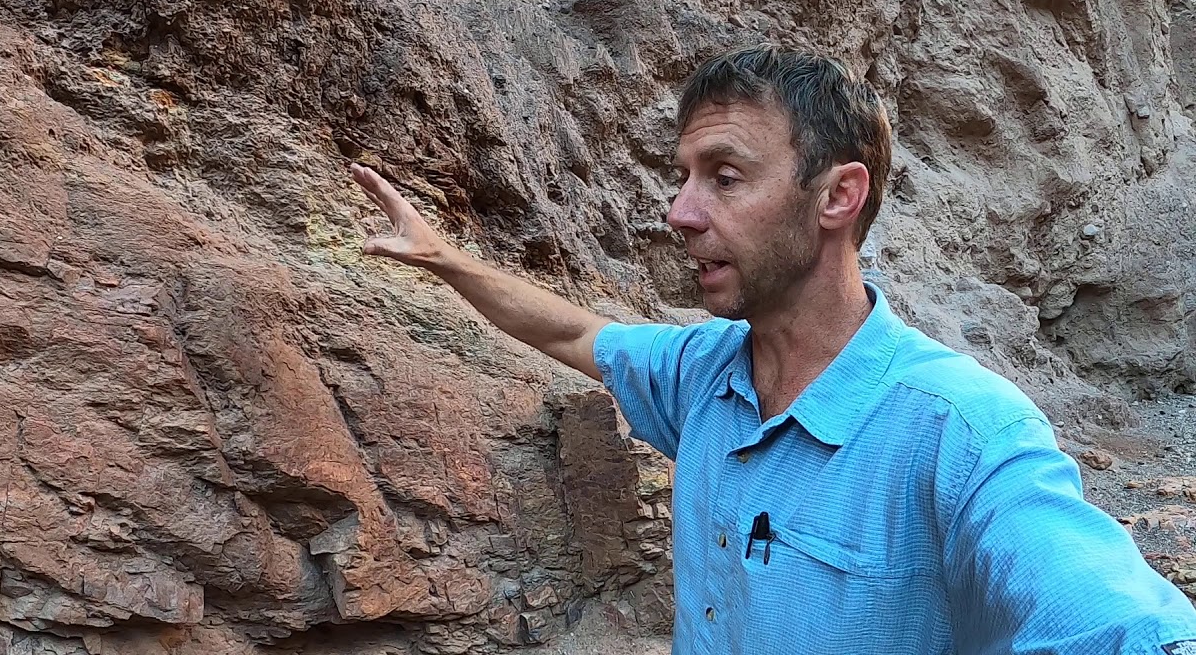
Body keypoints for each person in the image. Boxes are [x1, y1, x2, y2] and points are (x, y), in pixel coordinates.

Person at [348, 44, 1196, 654]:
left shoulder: (962, 432)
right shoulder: (702, 372)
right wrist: (446, 259)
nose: (680, 213)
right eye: (683, 177)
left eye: (724, 177)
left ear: (838, 195)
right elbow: (571, 331)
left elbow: (1121, 624)